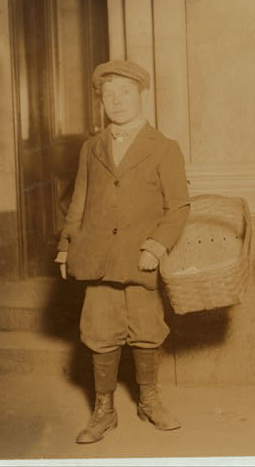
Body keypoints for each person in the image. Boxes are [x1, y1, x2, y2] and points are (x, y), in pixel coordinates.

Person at [55, 60, 190, 444]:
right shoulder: (91, 148)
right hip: (96, 258)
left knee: (147, 331)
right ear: (100, 101)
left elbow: (179, 206)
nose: (116, 101)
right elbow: (78, 202)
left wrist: (157, 244)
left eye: (125, 93)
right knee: (99, 332)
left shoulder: (164, 148)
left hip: (140, 260)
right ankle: (104, 409)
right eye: (108, 94)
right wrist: (66, 247)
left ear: (141, 96)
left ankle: (149, 399)